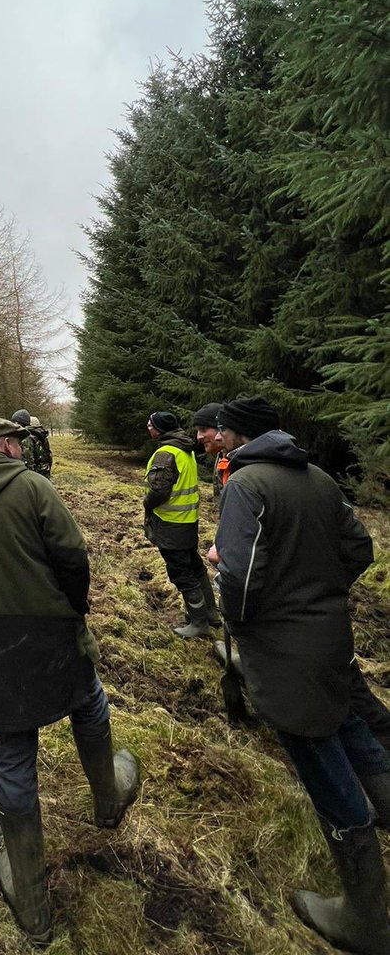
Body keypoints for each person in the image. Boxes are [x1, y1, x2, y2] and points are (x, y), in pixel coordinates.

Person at [0, 417, 139, 945]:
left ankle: (29, 900)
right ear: (4, 445)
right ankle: (108, 801)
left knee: (13, 747)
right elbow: (72, 555)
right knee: (88, 702)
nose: (23, 450)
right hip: (52, 627)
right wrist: (71, 606)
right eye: (18, 443)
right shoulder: (33, 486)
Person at [211, 395, 390, 954]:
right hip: (331, 637)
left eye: (223, 430)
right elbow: (359, 548)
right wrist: (320, 591)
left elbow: (239, 580)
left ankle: (365, 919)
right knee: (350, 723)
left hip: (283, 650)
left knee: (316, 750)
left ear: (240, 435)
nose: (217, 437)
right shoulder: (318, 478)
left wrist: (236, 606)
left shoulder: (245, 485)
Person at [143, 409, 217, 638]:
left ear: (159, 429)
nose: (148, 427)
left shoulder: (165, 453)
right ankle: (211, 614)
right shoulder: (185, 448)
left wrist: (147, 504)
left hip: (170, 524)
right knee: (195, 567)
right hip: (188, 521)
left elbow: (159, 491)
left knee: (181, 573)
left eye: (150, 424)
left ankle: (199, 623)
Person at [193, 402, 228, 501]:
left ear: (221, 429)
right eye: (197, 431)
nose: (198, 437)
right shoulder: (221, 455)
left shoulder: (240, 461)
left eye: (203, 429)